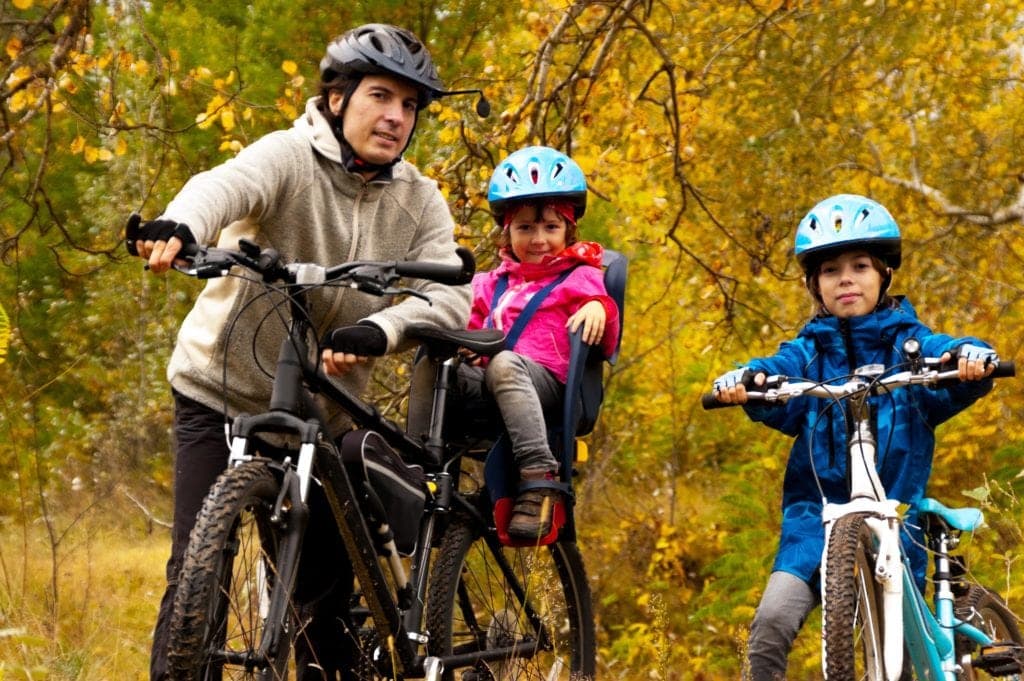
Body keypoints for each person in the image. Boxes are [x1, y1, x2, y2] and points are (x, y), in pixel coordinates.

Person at [126, 23, 477, 680]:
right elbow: (223, 186)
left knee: (322, 603)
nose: (397, 116)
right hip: (218, 390)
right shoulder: (287, 156)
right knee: (199, 573)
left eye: (410, 105)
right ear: (339, 98)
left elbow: (451, 293)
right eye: (381, 96)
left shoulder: (419, 198)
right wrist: (182, 225)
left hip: (325, 411)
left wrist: (384, 329)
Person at [709, 193, 998, 681]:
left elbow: (944, 351)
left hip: (895, 521)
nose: (845, 278)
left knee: (897, 655)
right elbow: (775, 370)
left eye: (860, 265)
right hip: (811, 522)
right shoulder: (807, 354)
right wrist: (747, 380)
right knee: (772, 623)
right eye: (830, 270)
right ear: (813, 284)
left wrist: (970, 357)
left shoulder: (909, 347)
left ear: (884, 274)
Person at [408, 145, 621, 539]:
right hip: (489, 381)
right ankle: (420, 468)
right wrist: (461, 344)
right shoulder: (490, 283)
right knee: (432, 363)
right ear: (508, 231)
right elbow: (463, 322)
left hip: (547, 386)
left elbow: (606, 331)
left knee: (506, 363)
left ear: (568, 230)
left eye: (550, 228)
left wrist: (598, 309)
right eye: (525, 228)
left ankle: (539, 477)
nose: (538, 239)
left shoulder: (579, 278)